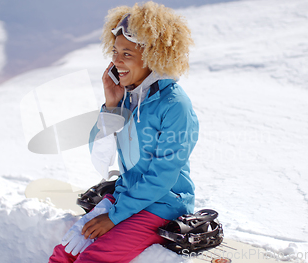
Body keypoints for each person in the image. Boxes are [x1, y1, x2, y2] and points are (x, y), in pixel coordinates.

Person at [49, 2, 198, 262]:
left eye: (127, 54)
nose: (116, 61)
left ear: (154, 56)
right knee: (64, 253)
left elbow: (162, 177)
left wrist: (115, 216)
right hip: (125, 197)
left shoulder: (175, 106)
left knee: (92, 258)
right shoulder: (128, 99)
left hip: (162, 206)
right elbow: (100, 160)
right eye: (115, 51)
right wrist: (111, 107)